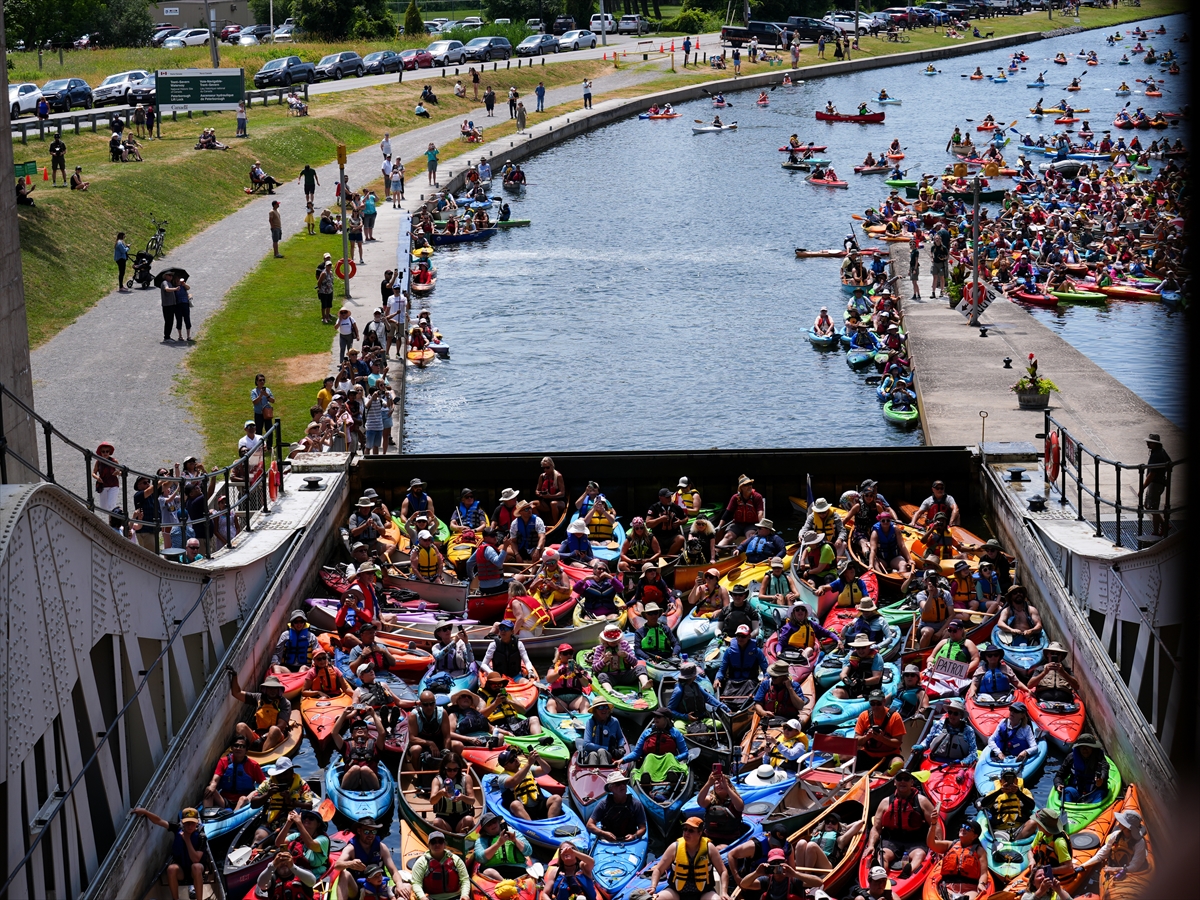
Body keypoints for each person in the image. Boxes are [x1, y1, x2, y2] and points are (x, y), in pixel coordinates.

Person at [864, 769, 934, 876]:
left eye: (906, 779)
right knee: (883, 855)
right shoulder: (885, 802)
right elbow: (876, 827)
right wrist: (871, 845)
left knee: (919, 854)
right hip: (892, 839)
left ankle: (908, 872)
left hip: (915, 839)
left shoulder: (922, 801)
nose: (903, 781)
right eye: (899, 779)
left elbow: (935, 825)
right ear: (894, 782)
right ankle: (880, 874)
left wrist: (938, 846)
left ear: (912, 782)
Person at [130, 806, 208, 900]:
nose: (189, 826)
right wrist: (145, 812)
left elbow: (196, 859)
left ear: (197, 822)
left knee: (196, 867)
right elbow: (159, 821)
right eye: (187, 823)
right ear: (183, 822)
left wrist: (187, 840)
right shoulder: (177, 828)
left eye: (192, 823)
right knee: (171, 869)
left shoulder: (201, 836)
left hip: (195, 871)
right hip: (182, 870)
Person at [648, 815, 729, 900]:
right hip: (676, 892)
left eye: (691, 830)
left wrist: (724, 892)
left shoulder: (709, 848)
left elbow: (723, 871)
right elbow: (658, 869)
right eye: (685, 829)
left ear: (700, 833)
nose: (686, 833)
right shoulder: (674, 847)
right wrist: (653, 886)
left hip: (704, 893)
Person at [247, 757, 317, 844]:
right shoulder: (268, 783)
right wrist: (268, 794)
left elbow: (309, 805)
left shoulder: (301, 785)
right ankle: (254, 855)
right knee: (259, 836)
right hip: (269, 824)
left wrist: (291, 801)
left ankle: (283, 855)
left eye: (285, 774)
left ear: (291, 772)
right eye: (279, 774)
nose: (282, 777)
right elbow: (253, 804)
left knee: (286, 841)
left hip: (292, 825)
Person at [333, 816, 403, 900]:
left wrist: (399, 885)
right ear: (359, 831)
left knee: (406, 887)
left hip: (379, 887)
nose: (370, 835)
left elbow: (393, 871)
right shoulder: (351, 848)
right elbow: (337, 865)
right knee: (344, 874)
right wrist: (350, 864)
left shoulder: (382, 847)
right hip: (358, 889)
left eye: (373, 832)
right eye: (366, 832)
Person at [230, 671, 294, 752]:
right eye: (269, 688)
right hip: (258, 735)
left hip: (275, 736)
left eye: (275, 688)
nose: (272, 691)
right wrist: (234, 676)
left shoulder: (285, 703)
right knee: (240, 726)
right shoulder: (258, 697)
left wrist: (263, 738)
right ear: (265, 689)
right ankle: (242, 753)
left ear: (279, 689)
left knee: (274, 729)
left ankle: (263, 755)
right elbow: (237, 693)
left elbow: (281, 726)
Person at [926, 818, 989, 900]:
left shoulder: (980, 851)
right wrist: (933, 824)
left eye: (968, 828)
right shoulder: (949, 845)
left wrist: (981, 884)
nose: (963, 828)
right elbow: (931, 843)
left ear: (975, 836)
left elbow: (983, 873)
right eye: (962, 826)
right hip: (949, 887)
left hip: (969, 889)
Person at [498, 746, 561, 819]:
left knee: (557, 798)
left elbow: (546, 770)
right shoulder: (502, 777)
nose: (515, 759)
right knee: (515, 804)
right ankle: (531, 826)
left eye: (515, 756)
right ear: (505, 766)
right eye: (511, 760)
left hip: (538, 803)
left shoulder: (526, 769)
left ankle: (551, 823)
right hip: (522, 809)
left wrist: (538, 759)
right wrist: (529, 763)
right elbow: (513, 781)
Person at [406, 829, 469, 900]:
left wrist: (465, 895)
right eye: (433, 842)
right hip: (431, 897)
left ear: (445, 844)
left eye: (440, 842)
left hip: (455, 897)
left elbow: (465, 879)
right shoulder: (421, 862)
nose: (437, 844)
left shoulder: (455, 859)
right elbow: (416, 883)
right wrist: (422, 897)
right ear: (429, 845)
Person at [854, 689, 906, 774]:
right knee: (840, 755)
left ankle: (883, 778)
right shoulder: (864, 716)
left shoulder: (895, 717)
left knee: (898, 763)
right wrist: (867, 737)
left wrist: (882, 739)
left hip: (888, 756)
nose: (875, 707)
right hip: (867, 755)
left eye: (878, 703)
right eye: (872, 704)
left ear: (884, 701)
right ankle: (845, 778)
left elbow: (897, 743)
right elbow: (856, 741)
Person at [587, 770, 647, 842]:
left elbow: (643, 828)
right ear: (610, 788)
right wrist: (604, 834)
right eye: (618, 784)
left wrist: (634, 836)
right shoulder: (603, 804)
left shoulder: (636, 804)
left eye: (624, 783)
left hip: (630, 841)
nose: (622, 785)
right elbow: (589, 825)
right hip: (607, 840)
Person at [474, 811, 534, 881]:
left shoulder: (514, 833)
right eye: (489, 824)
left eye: (494, 822)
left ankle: (507, 884)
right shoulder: (482, 840)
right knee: (488, 872)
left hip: (517, 870)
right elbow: (480, 858)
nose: (493, 825)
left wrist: (515, 840)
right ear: (485, 830)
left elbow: (529, 852)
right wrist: (498, 844)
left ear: (498, 822)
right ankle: (506, 883)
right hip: (494, 872)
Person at [697, 769, 745, 849]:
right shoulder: (711, 799)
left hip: (728, 840)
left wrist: (726, 788)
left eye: (722, 782)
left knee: (717, 848)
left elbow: (740, 807)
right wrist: (709, 783)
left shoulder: (734, 799)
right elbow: (700, 802)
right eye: (716, 783)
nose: (719, 785)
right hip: (710, 838)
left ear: (729, 785)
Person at [716, 474, 765, 548]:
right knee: (727, 536)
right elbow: (727, 513)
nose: (749, 486)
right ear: (741, 487)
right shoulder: (735, 498)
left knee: (750, 535)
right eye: (746, 485)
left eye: (750, 484)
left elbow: (760, 513)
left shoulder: (757, 497)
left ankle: (749, 553)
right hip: (738, 524)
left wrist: (761, 526)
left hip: (752, 524)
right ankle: (716, 552)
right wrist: (719, 526)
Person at [581, 697, 629, 765]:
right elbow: (586, 744)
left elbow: (620, 737)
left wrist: (620, 747)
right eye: (600, 707)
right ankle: (592, 773)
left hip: (608, 755)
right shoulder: (590, 722)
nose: (604, 710)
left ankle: (605, 772)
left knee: (602, 751)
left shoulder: (614, 722)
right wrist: (607, 748)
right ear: (595, 710)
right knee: (593, 754)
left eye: (606, 707)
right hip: (591, 755)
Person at [271, 609, 315, 674]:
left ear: (304, 622)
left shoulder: (311, 636)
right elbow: (278, 653)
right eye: (296, 622)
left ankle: (300, 682)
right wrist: (274, 662)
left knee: (303, 668)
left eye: (301, 621)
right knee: (276, 667)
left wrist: (314, 663)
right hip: (288, 668)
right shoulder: (285, 635)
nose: (299, 624)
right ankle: (278, 683)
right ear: (292, 622)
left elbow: (317, 651)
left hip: (305, 667)